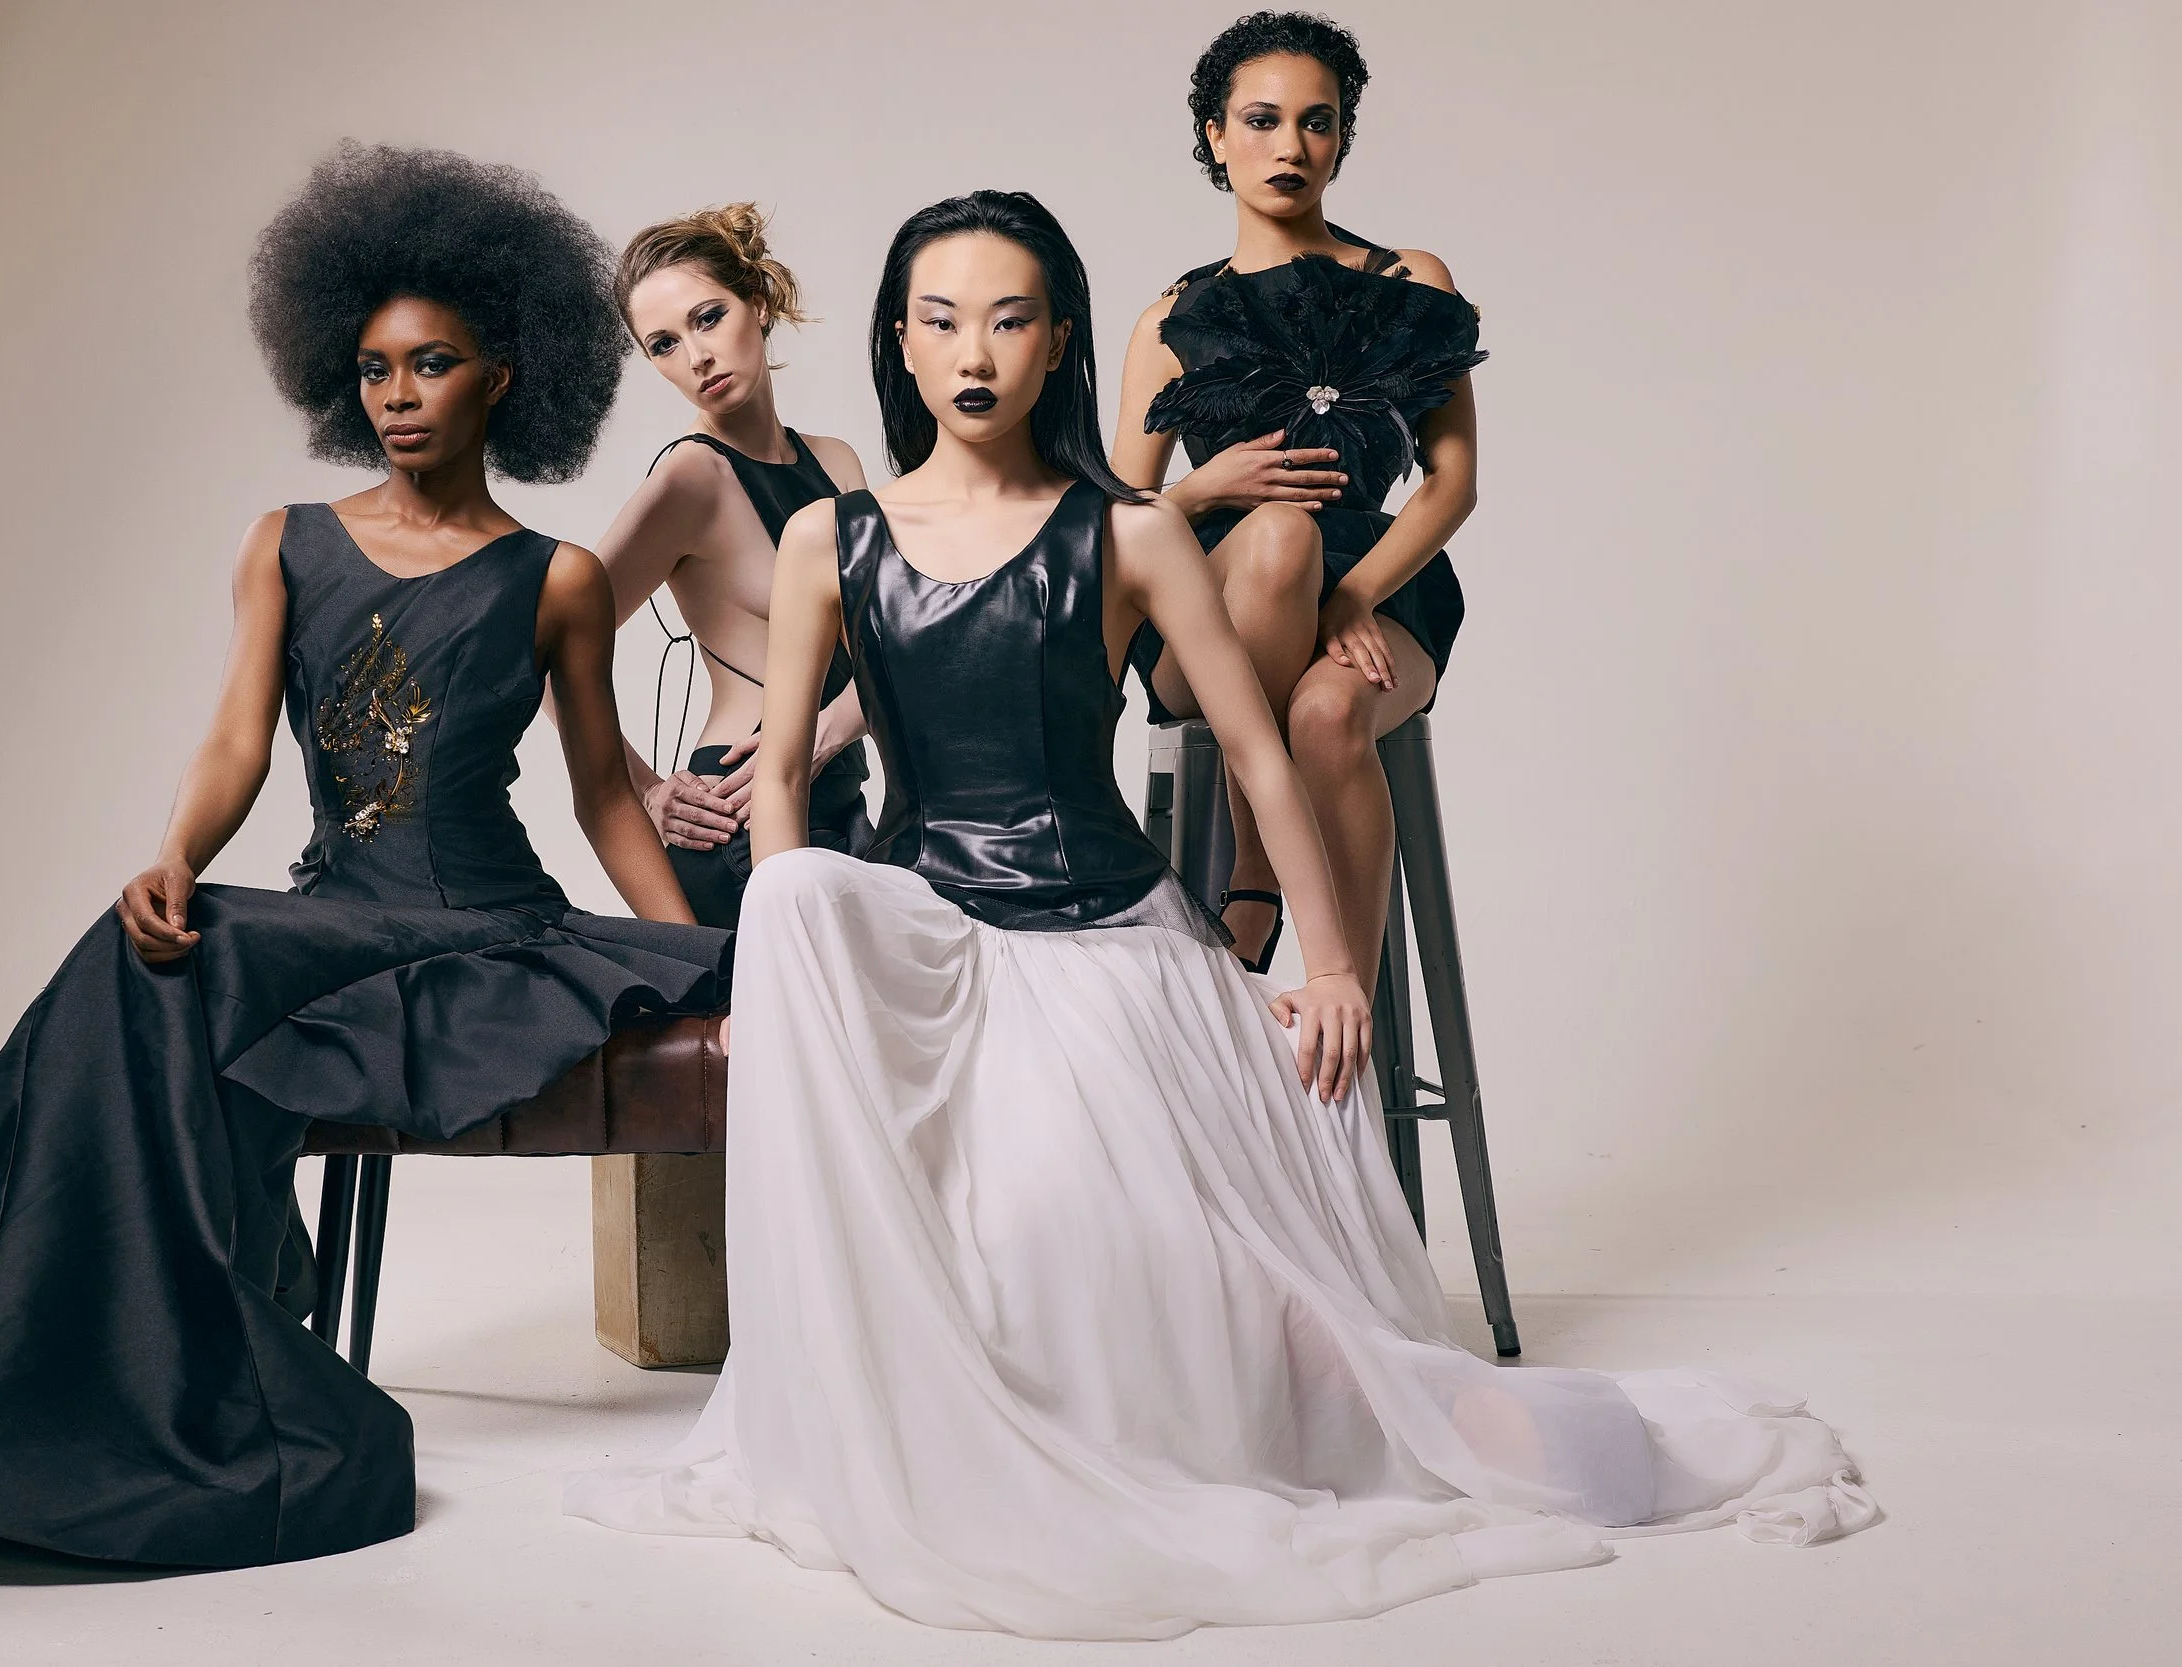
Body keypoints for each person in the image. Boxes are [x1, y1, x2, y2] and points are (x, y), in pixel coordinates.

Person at [565, 190, 1872, 1639]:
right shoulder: (830, 536)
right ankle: (860, 1398)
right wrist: (753, 970)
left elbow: (1257, 750)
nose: (975, 349)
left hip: (1102, 936)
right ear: (899, 342)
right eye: (942, 320)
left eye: (1010, 317)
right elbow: (790, 784)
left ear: (1060, 342)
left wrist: (1329, 963)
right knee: (803, 883)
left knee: (1082, 1240)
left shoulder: (1129, 531)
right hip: (928, 928)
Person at [0, 143, 729, 1570]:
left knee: (160, 972)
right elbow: (236, 745)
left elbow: (605, 796)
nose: (395, 396)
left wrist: (693, 960)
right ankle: (19, 1374)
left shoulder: (553, 576)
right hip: (331, 920)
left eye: (431, 364)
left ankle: (113, 1370)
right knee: (144, 953)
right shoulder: (287, 543)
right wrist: (175, 853)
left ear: (504, 372)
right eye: (373, 367)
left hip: (487, 930)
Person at [1111, 10, 1481, 983]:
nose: (1290, 146)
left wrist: (1356, 594)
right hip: (1213, 608)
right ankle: (1258, 858)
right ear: (1215, 136)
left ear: (1341, 139)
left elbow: (1452, 484)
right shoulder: (1171, 318)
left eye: (1316, 123)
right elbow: (1111, 527)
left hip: (1377, 591)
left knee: (1325, 717)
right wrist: (1205, 487)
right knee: (1275, 536)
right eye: (1263, 120)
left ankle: (1337, 1022)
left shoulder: (1408, 282)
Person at [591, 205, 874, 927]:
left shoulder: (836, 461)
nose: (696, 357)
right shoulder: (690, 480)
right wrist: (647, 790)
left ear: (758, 298)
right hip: (735, 821)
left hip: (844, 802)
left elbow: (893, 644)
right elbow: (538, 648)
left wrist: (833, 728)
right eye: (663, 344)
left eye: (708, 317)